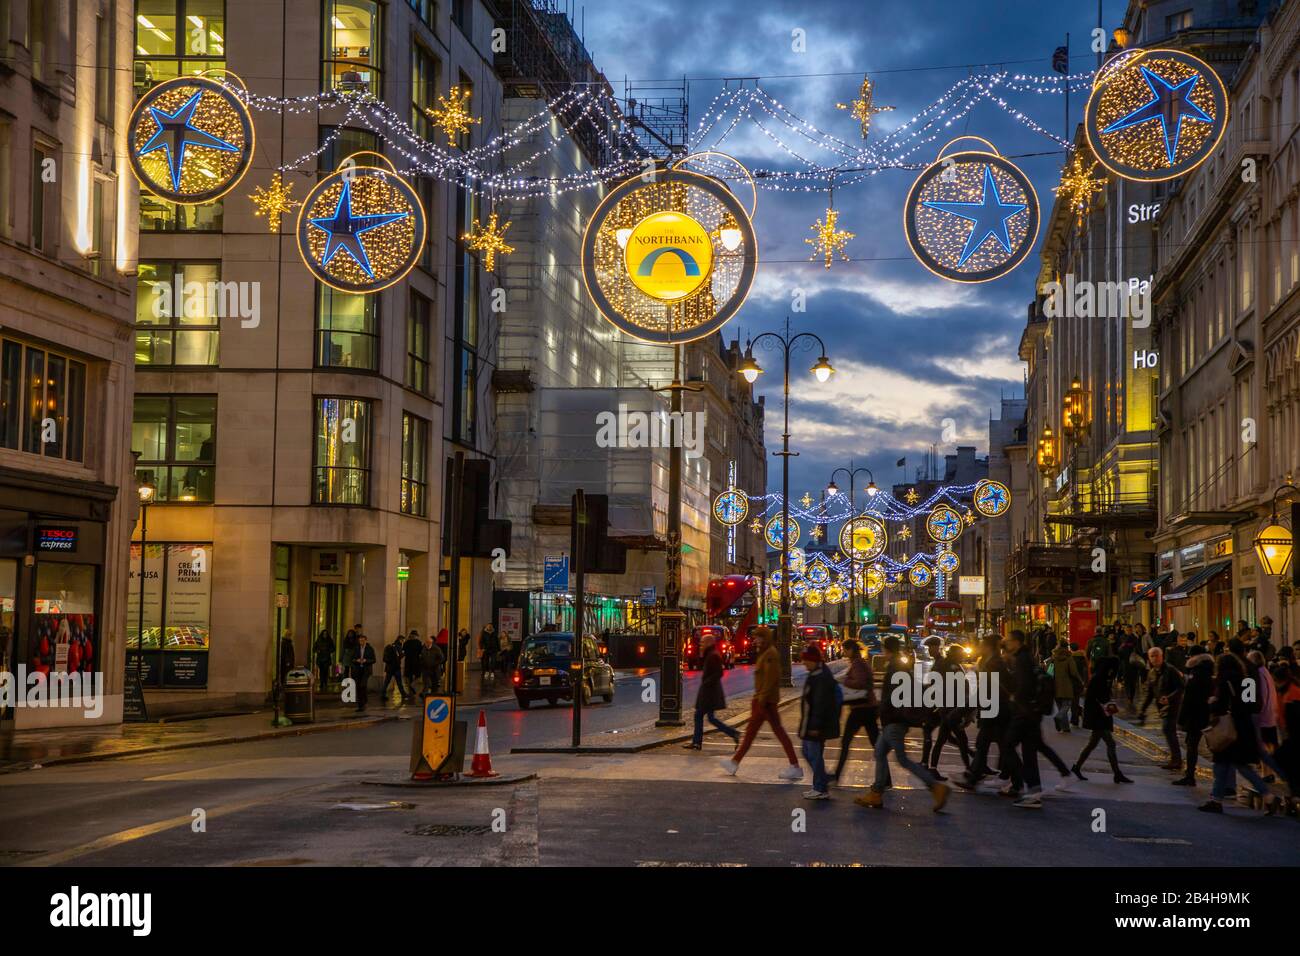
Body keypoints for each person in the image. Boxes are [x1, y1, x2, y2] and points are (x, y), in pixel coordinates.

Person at [855, 635, 949, 811]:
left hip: (895, 719)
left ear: (886, 650)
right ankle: (876, 793)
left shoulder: (896, 667)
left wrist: (883, 709)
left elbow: (895, 695)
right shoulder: (899, 665)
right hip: (894, 718)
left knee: (902, 759)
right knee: (880, 752)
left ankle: (936, 787)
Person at [1198, 652, 1280, 814]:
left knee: (1222, 764)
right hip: (1245, 727)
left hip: (1230, 729)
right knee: (1242, 765)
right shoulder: (1246, 680)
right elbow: (1251, 705)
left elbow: (1220, 706)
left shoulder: (1224, 681)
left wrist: (1212, 703)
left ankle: (1216, 800)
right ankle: (1267, 796)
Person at [721, 626, 802, 781]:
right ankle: (734, 762)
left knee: (773, 733)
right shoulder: (766, 653)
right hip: (763, 700)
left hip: (765, 701)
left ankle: (794, 765)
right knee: (753, 733)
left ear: (764, 638)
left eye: (757, 637)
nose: (755, 640)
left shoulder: (769, 654)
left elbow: (770, 679)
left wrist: (762, 699)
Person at [954, 632, 1009, 791]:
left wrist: (964, 710)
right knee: (985, 744)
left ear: (988, 647)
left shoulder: (994, 663)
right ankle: (975, 776)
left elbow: (986, 691)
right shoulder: (991, 662)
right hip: (992, 710)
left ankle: (1013, 779)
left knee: (997, 746)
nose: (979, 647)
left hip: (995, 711)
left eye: (982, 645)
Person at [1071, 657, 1133, 783]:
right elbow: (1098, 699)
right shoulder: (1100, 679)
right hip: (1099, 717)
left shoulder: (1101, 677)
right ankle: (1117, 774)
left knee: (1092, 744)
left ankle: (1076, 768)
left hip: (1100, 716)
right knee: (1110, 743)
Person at [830, 638, 881, 783]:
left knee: (846, 742)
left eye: (845, 649)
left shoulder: (857, 664)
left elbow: (859, 682)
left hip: (860, 709)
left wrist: (845, 681)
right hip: (868, 708)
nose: (843, 652)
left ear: (851, 650)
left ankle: (837, 775)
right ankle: (886, 778)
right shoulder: (860, 662)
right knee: (876, 746)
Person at [794, 644, 839, 800]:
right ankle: (821, 782)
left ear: (813, 660)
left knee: (813, 754)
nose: (804, 663)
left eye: (806, 660)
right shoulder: (818, 673)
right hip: (813, 722)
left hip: (815, 724)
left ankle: (821, 786)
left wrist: (814, 726)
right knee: (810, 753)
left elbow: (819, 703)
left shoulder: (820, 676)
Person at [926, 642, 974, 780]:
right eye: (961, 655)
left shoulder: (946, 664)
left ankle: (933, 768)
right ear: (955, 655)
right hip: (951, 708)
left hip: (946, 707)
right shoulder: (951, 666)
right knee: (961, 739)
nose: (962, 657)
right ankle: (969, 769)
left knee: (942, 739)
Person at [685, 632, 739, 750]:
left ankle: (697, 742)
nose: (700, 644)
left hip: (710, 693)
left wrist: (707, 683)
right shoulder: (709, 654)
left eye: (703, 642)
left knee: (699, 715)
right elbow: (700, 667)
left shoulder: (713, 655)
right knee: (710, 718)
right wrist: (700, 654)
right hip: (710, 692)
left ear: (709, 643)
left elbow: (718, 673)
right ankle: (732, 733)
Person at [1138, 646, 1186, 773]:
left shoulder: (1170, 670)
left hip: (1173, 706)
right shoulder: (1152, 673)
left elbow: (1181, 687)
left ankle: (1176, 760)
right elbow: (1150, 693)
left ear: (1162, 656)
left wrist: (1169, 698)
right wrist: (1142, 710)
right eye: (1152, 656)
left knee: (1168, 729)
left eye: (1156, 655)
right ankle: (1175, 758)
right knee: (1169, 731)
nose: (1154, 658)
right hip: (1162, 707)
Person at [1173, 652, 1215, 786]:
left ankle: (1190, 775)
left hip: (1195, 716)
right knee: (1213, 746)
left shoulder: (1195, 675)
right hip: (1207, 715)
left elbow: (1188, 699)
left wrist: (1180, 719)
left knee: (1192, 746)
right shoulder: (1209, 674)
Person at [1051, 637, 1083, 733]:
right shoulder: (1069, 658)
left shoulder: (1053, 658)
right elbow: (1074, 672)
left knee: (1060, 706)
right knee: (1067, 704)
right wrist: (1080, 680)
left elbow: (1049, 672)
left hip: (1055, 685)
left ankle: (1065, 728)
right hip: (1067, 685)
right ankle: (1059, 717)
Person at [350, 633, 375, 711]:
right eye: (360, 641)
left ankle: (363, 702)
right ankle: (360, 705)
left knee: (362, 685)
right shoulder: (356, 648)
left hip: (366, 670)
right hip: (357, 670)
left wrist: (366, 660)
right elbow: (352, 658)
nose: (361, 642)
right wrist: (356, 660)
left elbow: (374, 660)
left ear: (366, 640)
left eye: (363, 640)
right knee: (358, 687)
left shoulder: (370, 649)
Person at [381, 635, 407, 703]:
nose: (403, 642)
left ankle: (383, 694)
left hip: (389, 667)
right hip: (396, 667)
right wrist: (403, 653)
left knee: (386, 682)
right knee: (399, 682)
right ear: (400, 640)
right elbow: (400, 656)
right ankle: (403, 694)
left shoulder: (390, 646)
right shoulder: (398, 646)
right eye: (403, 640)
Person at [403, 629, 424, 697]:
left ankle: (410, 690)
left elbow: (404, 651)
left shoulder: (406, 643)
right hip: (416, 661)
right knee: (418, 676)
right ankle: (412, 685)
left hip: (408, 661)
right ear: (416, 636)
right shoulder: (418, 642)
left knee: (409, 676)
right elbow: (421, 652)